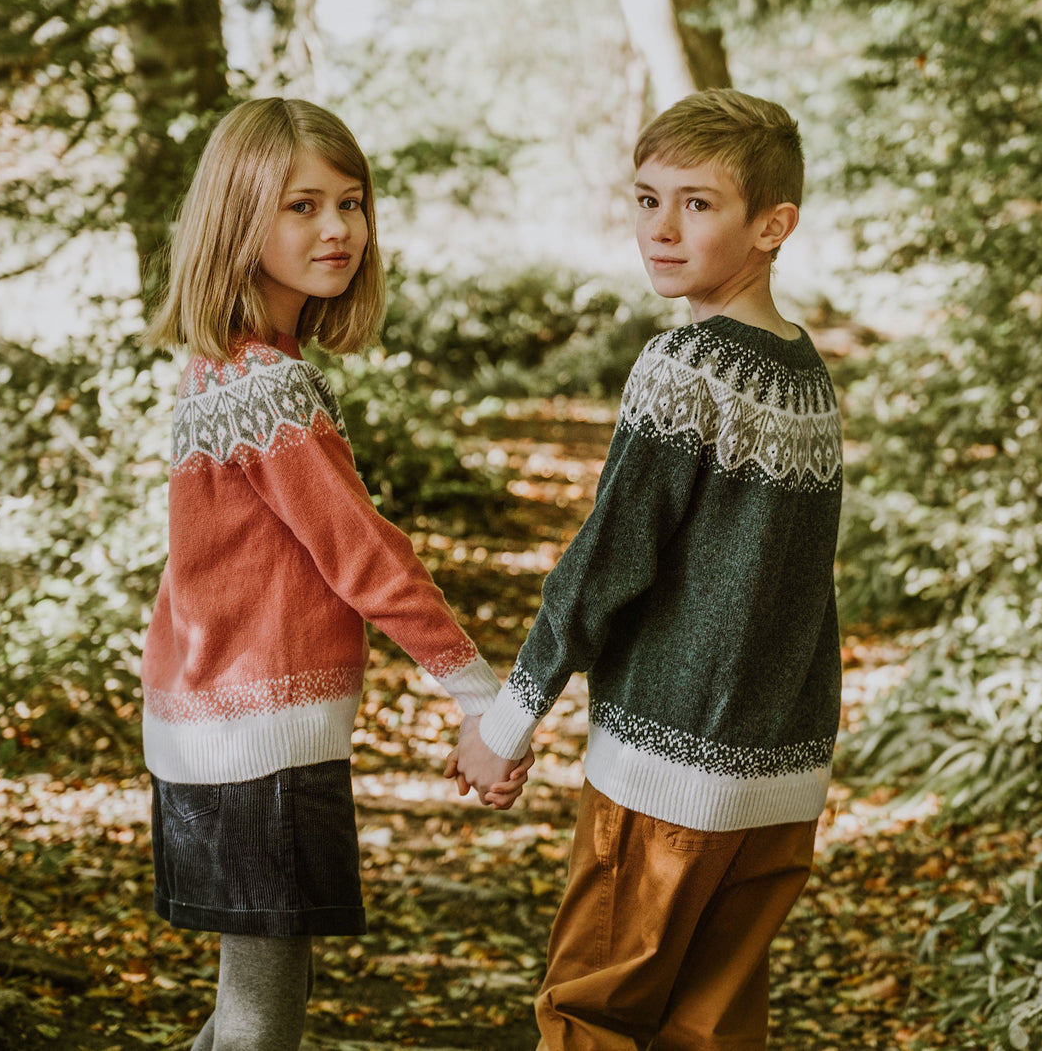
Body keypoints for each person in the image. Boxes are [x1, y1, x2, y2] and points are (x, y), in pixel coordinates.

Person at [450, 89, 843, 1050]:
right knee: (709, 1031)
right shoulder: (806, 369)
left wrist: (507, 719)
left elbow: (607, 563)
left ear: (772, 225)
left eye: (697, 204)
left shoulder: (686, 365)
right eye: (645, 198)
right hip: (781, 780)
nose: (660, 228)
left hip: (673, 768)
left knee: (591, 1017)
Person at [139, 96, 531, 1051]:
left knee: (256, 1002)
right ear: (238, 218)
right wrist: (479, 693)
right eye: (301, 206)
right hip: (256, 734)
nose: (337, 229)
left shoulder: (230, 365)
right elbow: (363, 553)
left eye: (351, 203)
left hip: (218, 722)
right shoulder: (265, 387)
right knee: (261, 1023)